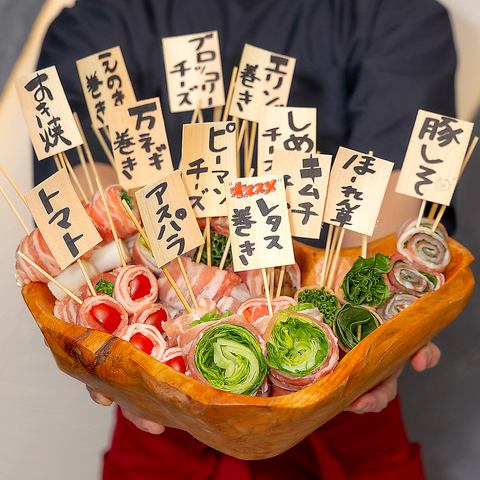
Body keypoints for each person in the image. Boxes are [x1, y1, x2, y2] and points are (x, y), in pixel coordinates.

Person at [36, 0, 454, 478]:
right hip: (166, 400)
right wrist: (122, 340)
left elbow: (379, 236)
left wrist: (380, 335)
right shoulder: (101, 19)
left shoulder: (397, 15)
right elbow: (92, 211)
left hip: (344, 401)